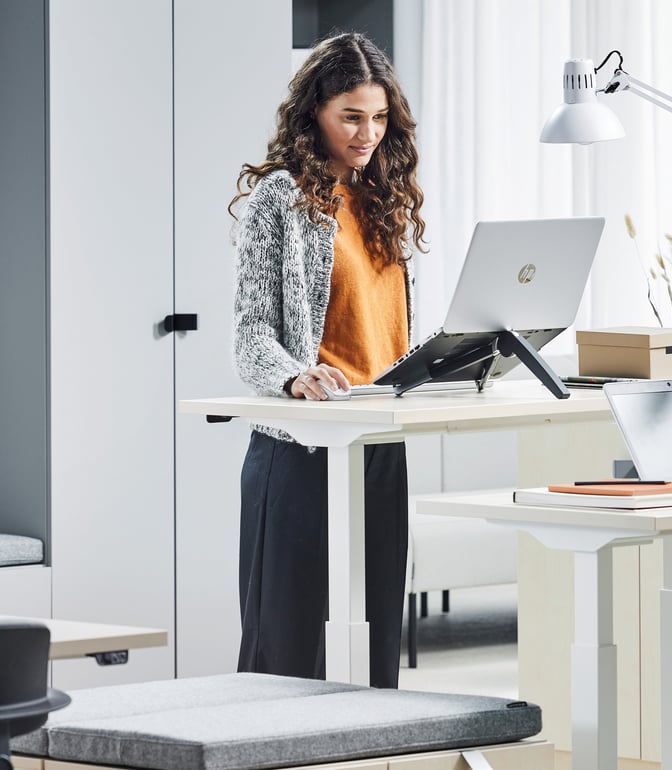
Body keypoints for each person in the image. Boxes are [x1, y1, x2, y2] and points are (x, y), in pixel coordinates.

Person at [228, 32, 426, 688]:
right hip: (303, 448)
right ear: (313, 110)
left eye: (378, 117)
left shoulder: (385, 202)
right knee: (285, 657)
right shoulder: (279, 199)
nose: (368, 132)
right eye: (351, 116)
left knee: (374, 655)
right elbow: (251, 332)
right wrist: (291, 375)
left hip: (378, 444)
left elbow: (387, 333)